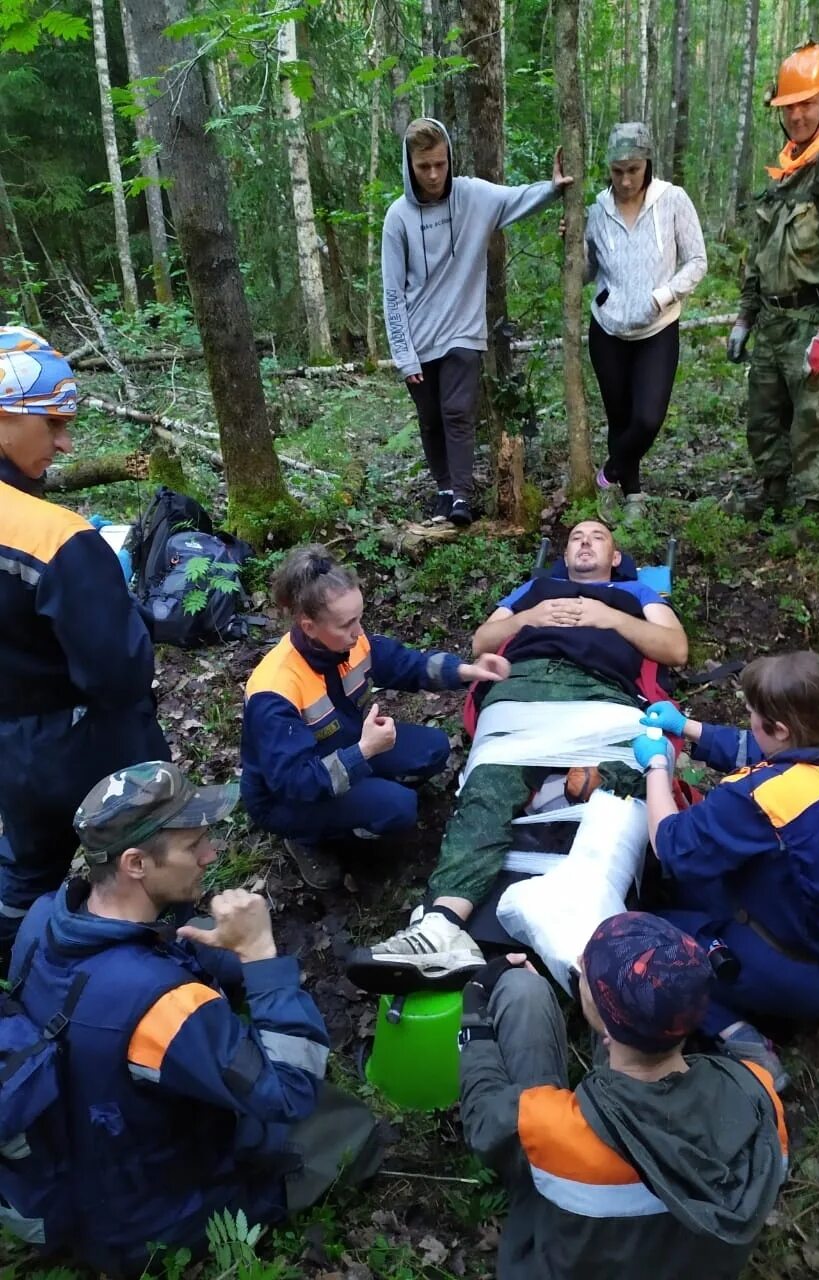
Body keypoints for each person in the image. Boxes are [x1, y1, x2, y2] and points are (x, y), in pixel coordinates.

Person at [8, 761, 381, 1274]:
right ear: (136, 863)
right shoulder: (166, 1008)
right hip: (151, 1218)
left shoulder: (45, 916)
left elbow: (131, 962)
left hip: (84, 1156)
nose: (212, 854)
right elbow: (290, 1091)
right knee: (349, 1124)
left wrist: (214, 954)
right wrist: (260, 957)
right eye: (193, 846)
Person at [347, 520, 687, 990]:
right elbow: (482, 642)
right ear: (564, 557)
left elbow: (675, 649)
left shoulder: (635, 594)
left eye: (598, 537)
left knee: (640, 770)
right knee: (487, 789)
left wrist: (607, 617)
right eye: (576, 539)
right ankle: (442, 925)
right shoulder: (535, 589)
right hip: (522, 696)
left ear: (614, 558)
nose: (585, 543)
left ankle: (563, 793)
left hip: (600, 696)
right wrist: (532, 615)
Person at [457, 913, 788, 1280]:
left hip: (559, 1251)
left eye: (587, 972)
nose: (582, 966)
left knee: (522, 991)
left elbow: (485, 1122)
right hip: (679, 1258)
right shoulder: (761, 1097)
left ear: (608, 1030)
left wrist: (474, 1021)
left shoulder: (556, 1134)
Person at [633, 650, 819, 1089]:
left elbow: (670, 844)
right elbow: (758, 750)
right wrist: (688, 729)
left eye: (754, 717)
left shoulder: (757, 800)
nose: (751, 725)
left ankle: (738, 1034)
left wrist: (656, 766)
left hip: (802, 977)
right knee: (713, 885)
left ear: (781, 729)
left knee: (645, 929)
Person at [0, 325, 168, 964]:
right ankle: (162, 977)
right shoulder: (59, 538)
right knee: (152, 861)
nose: (66, 442)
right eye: (54, 423)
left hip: (12, 749)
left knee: (26, 870)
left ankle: (19, 981)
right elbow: (119, 673)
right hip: (93, 742)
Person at [241, 544, 509, 887]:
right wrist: (364, 752)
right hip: (285, 797)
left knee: (434, 748)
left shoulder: (350, 642)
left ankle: (366, 799)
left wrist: (466, 670)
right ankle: (306, 837)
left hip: (344, 748)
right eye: (346, 624)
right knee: (398, 807)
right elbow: (295, 782)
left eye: (359, 618)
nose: (358, 631)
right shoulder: (275, 691)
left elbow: (404, 664)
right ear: (309, 627)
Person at [381, 117, 572, 528]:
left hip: (463, 330)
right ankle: (445, 488)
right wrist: (404, 355)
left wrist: (554, 188)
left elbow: (517, 199)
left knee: (457, 411)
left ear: (449, 158)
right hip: (418, 337)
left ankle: (463, 496)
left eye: (439, 164)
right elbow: (393, 293)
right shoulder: (397, 218)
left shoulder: (473, 196)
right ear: (409, 166)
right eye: (423, 167)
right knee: (430, 418)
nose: (433, 175)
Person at [726, 43, 819, 516]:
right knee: (764, 420)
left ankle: (814, 517)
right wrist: (745, 317)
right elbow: (761, 253)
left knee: (816, 424)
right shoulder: (786, 171)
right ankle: (772, 495)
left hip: (813, 318)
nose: (796, 114)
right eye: (789, 106)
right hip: (772, 320)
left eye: (807, 103)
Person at [585, 123, 707, 507]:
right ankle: (632, 496)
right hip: (607, 328)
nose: (625, 180)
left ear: (647, 163)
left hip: (657, 327)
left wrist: (664, 295)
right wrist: (574, 243)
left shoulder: (672, 200)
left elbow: (697, 260)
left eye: (633, 170)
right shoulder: (597, 210)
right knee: (618, 417)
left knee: (648, 418)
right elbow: (588, 272)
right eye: (618, 171)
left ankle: (607, 476)